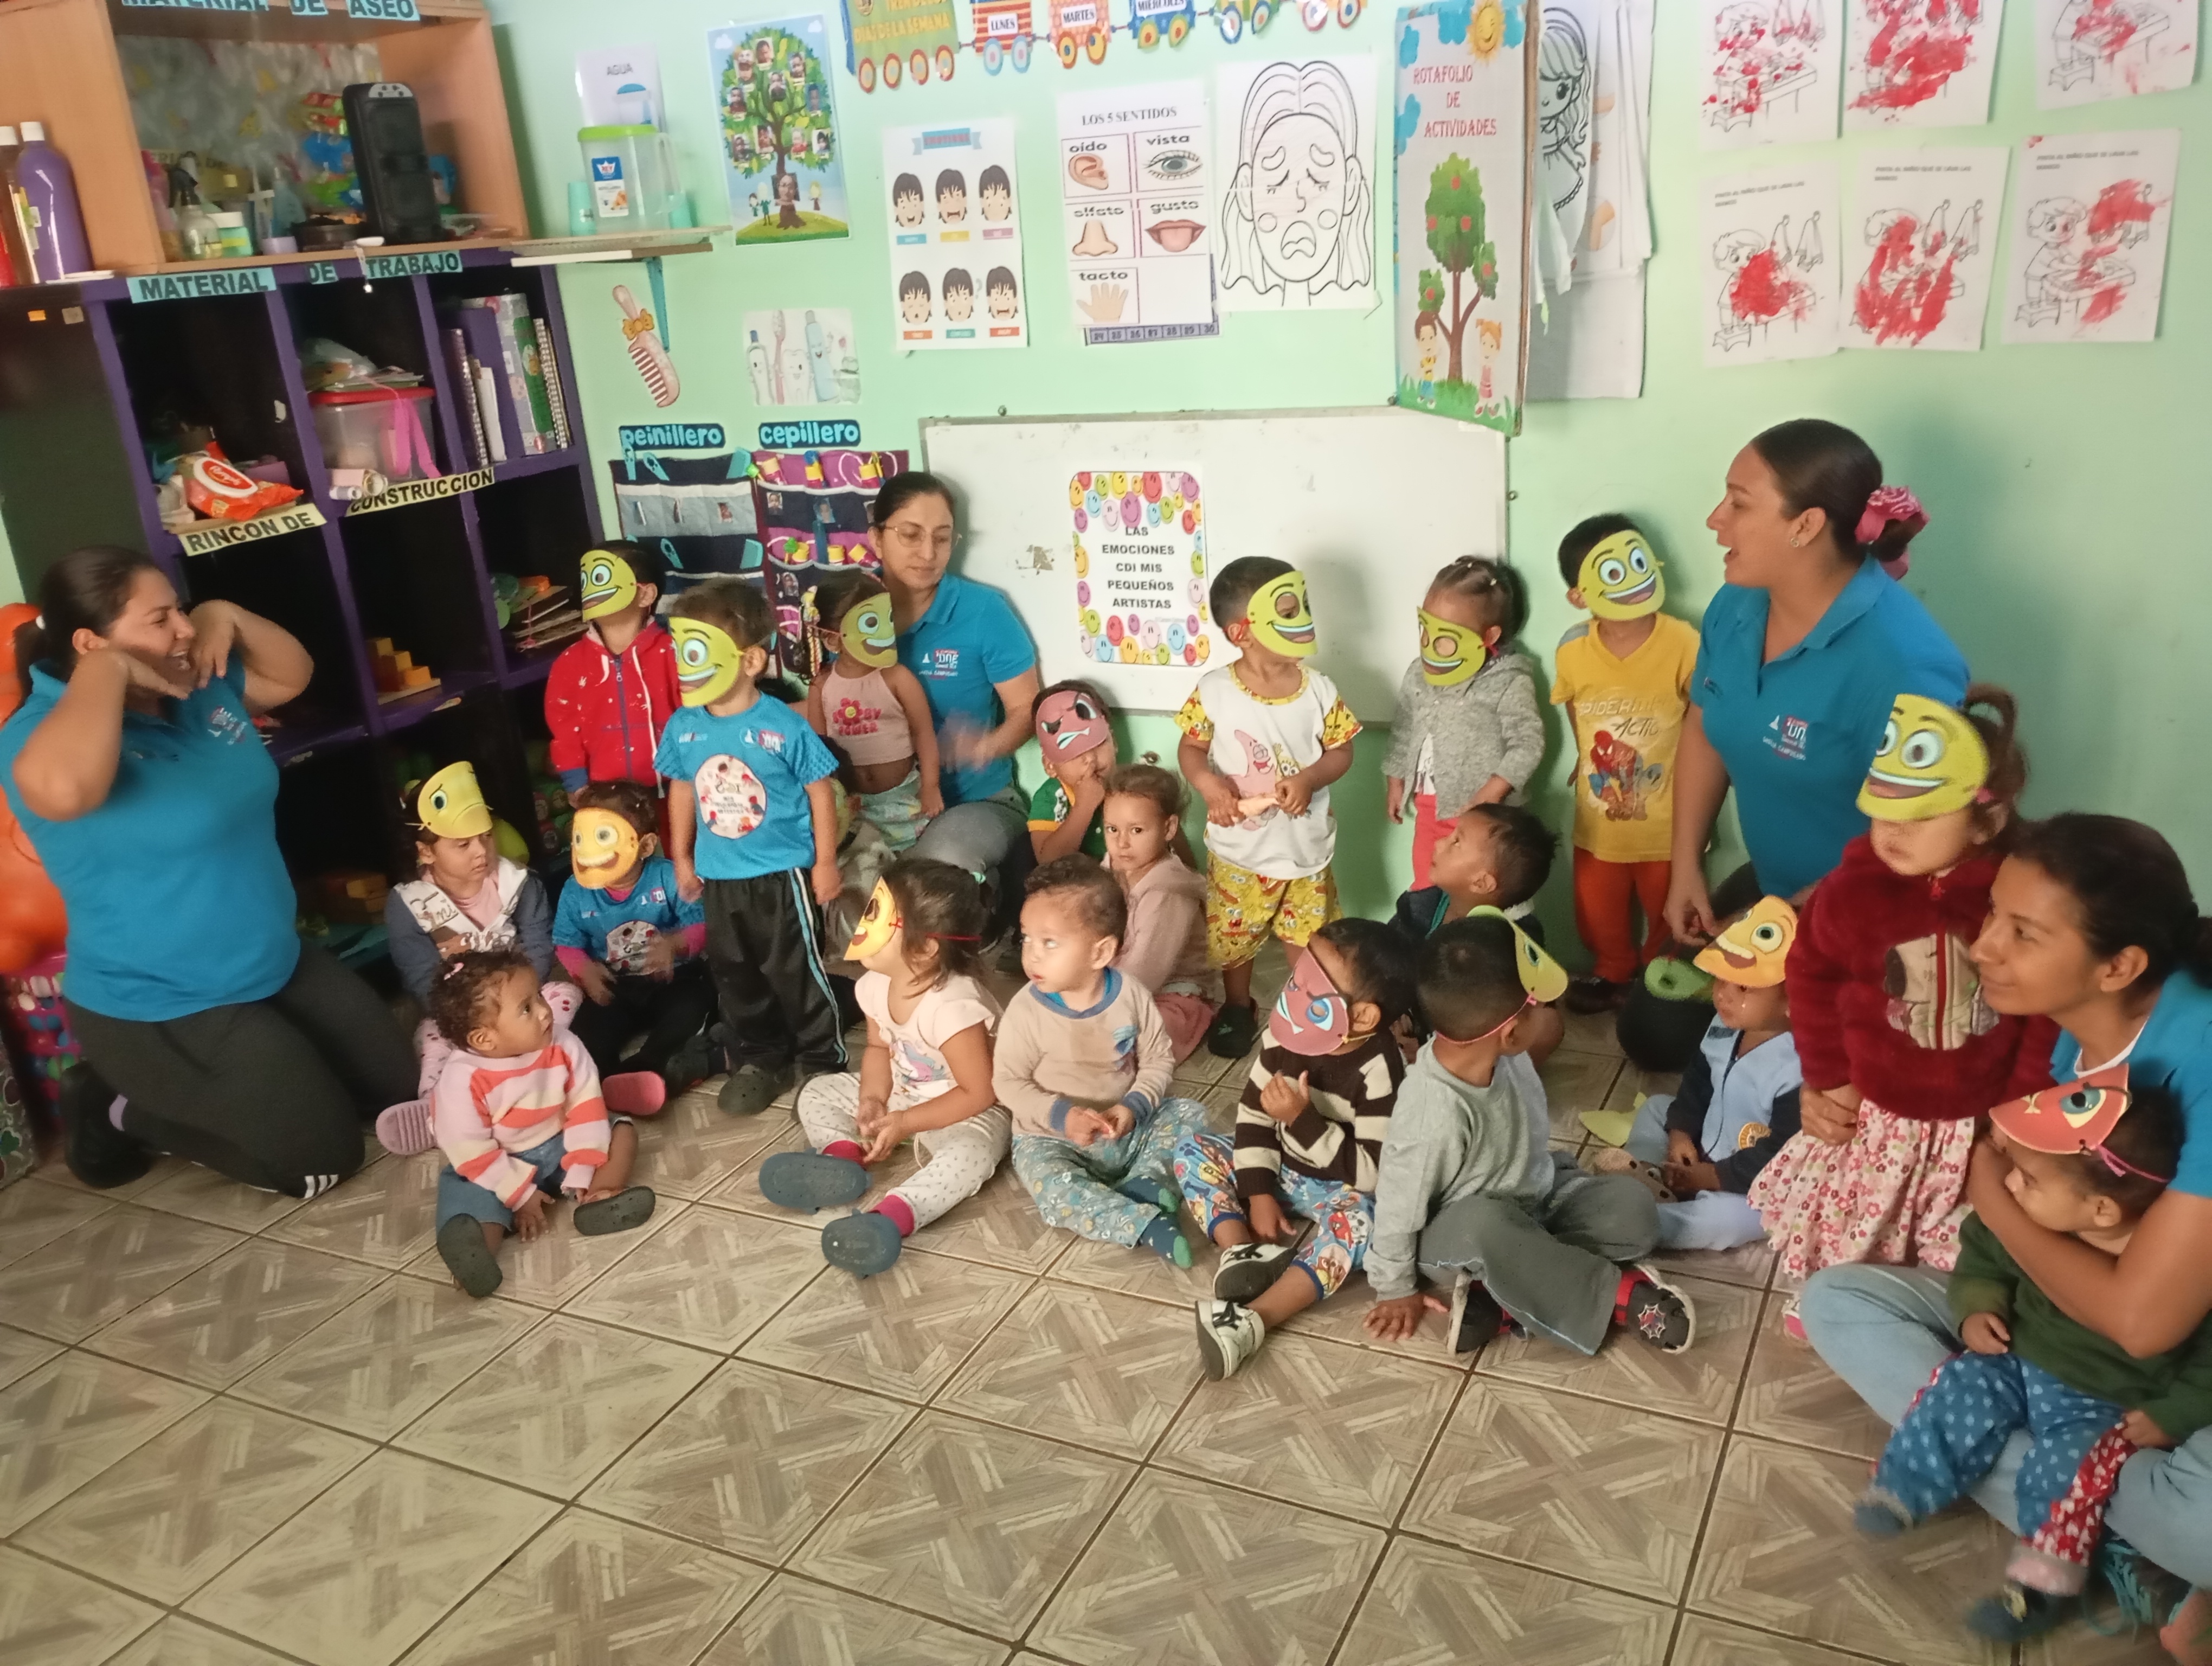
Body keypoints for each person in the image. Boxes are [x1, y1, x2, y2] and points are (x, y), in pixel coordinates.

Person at [1799, 815, 2212, 1660]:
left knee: (2202, 1516)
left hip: (2180, 1365)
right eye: (1993, 913)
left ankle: (2087, 1515)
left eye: (2023, 932)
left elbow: (2145, 1325)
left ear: (2120, 966)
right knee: (1838, 1301)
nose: (1983, 945)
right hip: (2062, 1338)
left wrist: (1992, 1190)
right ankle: (2091, 1522)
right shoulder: (2074, 1034)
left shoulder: (2201, 1058)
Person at [0, 546, 413, 1197]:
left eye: (180, 609)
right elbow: (65, 791)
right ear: (89, 642)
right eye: (159, 618)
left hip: (274, 961)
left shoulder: (189, 682)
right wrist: (108, 672)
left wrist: (226, 613)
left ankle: (269, 1072)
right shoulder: (37, 733)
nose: (183, 629)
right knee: (319, 1160)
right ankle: (119, 1108)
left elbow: (293, 676)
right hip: (165, 1002)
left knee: (398, 1091)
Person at [1855, 1084, 2212, 1643]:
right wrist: (1976, 1308)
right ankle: (1905, 1483)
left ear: (2102, 1209)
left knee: (2065, 1474)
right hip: (2014, 1359)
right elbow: (1983, 1256)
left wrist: (2172, 1415)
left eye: (2029, 1178)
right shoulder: (2034, 1216)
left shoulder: (2178, 1271)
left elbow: (2208, 1366)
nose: (2010, 1186)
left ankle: (2043, 1586)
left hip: (2102, 1406)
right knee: (1960, 1385)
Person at [1751, 688, 2055, 1292]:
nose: (1894, 830)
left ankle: (1930, 1309)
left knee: (1957, 1243)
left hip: (1974, 1121)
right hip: (1875, 1112)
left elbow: (2043, 1014)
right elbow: (1811, 975)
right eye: (1883, 811)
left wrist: (2020, 1107)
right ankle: (1841, 1304)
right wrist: (1828, 1075)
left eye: (1922, 816)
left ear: (1988, 820)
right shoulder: (1850, 891)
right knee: (1858, 1226)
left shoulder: (2012, 900)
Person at [1666, 419, 1966, 941]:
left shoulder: (1905, 668)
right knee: (1664, 991)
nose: (1716, 519)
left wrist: (1779, 929)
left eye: (1739, 503)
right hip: (1773, 894)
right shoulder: (1735, 606)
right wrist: (1685, 863)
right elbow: (1704, 725)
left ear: (1805, 526)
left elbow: (1922, 848)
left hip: (1871, 919)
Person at [1364, 913, 1695, 1358]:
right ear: (1512, 1032)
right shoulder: (1432, 1112)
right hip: (1461, 1234)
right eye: (1538, 1006)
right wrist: (1394, 1287)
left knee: (1633, 1212)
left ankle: (1504, 1300)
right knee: (1486, 1223)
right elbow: (1398, 1206)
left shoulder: (1508, 1055)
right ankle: (1617, 1295)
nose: (1547, 1012)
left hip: (1533, 1198)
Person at [1181, 919, 1417, 1381]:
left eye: (1315, 991)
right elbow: (1253, 1115)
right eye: (1298, 978)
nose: (1293, 996)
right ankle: (1241, 1253)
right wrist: (1258, 1192)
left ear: (1362, 1018)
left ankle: (1255, 1320)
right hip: (1282, 1168)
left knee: (1369, 1223)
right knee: (1194, 1149)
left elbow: (1372, 1172)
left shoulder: (1381, 1070)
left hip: (1342, 1187)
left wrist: (1302, 1120)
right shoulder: (1283, 1034)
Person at [758, 860, 1008, 1278]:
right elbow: (878, 1047)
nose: (863, 923)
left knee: (974, 1154)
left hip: (965, 1107)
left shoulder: (952, 1008)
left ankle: (894, 1215)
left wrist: (907, 1122)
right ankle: (841, 1159)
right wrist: (872, 1099)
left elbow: (980, 1092)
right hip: (904, 1091)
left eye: (880, 916)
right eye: (872, 908)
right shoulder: (873, 985)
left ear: (925, 948)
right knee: (817, 1091)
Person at [658, 579, 846, 1117]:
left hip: (782, 876)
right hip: (720, 878)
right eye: (681, 651)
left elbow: (821, 792)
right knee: (735, 974)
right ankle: (762, 1058)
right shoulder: (684, 727)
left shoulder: (782, 725)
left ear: (750, 660)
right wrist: (682, 857)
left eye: (698, 652)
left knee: (796, 971)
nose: (685, 665)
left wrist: (825, 862)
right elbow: (682, 788)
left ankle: (822, 1062)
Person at [1177, 558, 1360, 1057]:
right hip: (1239, 853)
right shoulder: (1214, 690)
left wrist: (1310, 778)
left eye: (1303, 606)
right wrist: (1209, 786)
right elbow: (1191, 748)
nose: (1304, 618)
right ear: (1243, 632)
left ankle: (1306, 1010)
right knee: (1235, 940)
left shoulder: (1319, 689)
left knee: (1307, 938)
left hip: (1305, 851)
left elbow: (1342, 750)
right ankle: (1239, 1006)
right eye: (1288, 610)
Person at [994, 857, 1207, 1267]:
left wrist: (1133, 1107)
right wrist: (1061, 1117)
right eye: (1026, 939)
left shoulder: (1130, 994)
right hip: (1052, 1140)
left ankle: (1147, 1183)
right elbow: (1007, 1082)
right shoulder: (1026, 1011)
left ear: (1101, 952)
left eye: (1049, 943)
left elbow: (1158, 1060)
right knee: (1054, 1192)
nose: (1032, 956)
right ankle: (1143, 1223)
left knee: (1190, 1115)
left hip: (1126, 1127)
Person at [428, 950, 654, 1299]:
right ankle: (476, 1253)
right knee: (468, 1192)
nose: (545, 1011)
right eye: (526, 1008)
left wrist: (583, 1166)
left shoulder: (563, 1043)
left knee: (620, 1131)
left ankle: (601, 1196)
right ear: (484, 1039)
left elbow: (586, 1103)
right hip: (498, 1161)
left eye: (539, 996)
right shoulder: (462, 1080)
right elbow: (470, 1150)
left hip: (560, 1140)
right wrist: (519, 1195)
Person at [1549, 515, 1702, 1013]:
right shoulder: (1573, 648)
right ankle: (1612, 971)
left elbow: (1703, 713)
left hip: (1668, 820)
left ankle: (1660, 978)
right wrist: (1582, 753)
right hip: (1599, 820)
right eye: (1612, 570)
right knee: (1598, 906)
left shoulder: (1683, 641)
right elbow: (1574, 703)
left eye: (1637, 561)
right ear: (1579, 595)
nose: (1632, 579)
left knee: (1669, 908)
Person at [873, 471, 1040, 914]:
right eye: (911, 535)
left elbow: (1027, 709)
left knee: (928, 881)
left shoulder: (983, 611)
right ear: (876, 538)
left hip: (975, 802)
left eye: (942, 538)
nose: (928, 553)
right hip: (879, 805)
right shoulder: (852, 610)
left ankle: (988, 921)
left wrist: (986, 746)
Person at [1614, 896, 1802, 1252]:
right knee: (1656, 1107)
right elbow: (1699, 1079)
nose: (1723, 996)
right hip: (1706, 1141)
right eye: (1721, 980)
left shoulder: (1798, 1069)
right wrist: (1681, 1131)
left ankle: (1650, 1225)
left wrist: (1713, 1176)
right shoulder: (1726, 1024)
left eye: (1742, 987)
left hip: (1753, 1178)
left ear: (1795, 1001)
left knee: (1737, 1218)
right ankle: (1642, 1178)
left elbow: (1783, 1154)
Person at [1382, 555, 1544, 893]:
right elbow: (1405, 726)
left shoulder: (1508, 681)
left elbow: (1528, 743)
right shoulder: (1418, 674)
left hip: (1484, 822)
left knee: (1476, 895)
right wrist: (1396, 778)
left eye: (1445, 638)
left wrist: (1492, 791)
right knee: (1426, 887)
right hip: (1430, 806)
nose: (1430, 645)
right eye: (1425, 630)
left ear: (1489, 636)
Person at [554, 779, 718, 1093]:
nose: (589, 850)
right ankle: (601, 1082)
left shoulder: (668, 876)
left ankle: (647, 1067)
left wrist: (675, 944)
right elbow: (566, 942)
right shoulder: (575, 891)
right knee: (585, 1035)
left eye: (603, 836)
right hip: (615, 986)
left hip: (673, 980)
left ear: (645, 846)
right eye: (580, 837)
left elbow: (701, 924)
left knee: (695, 1007)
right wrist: (585, 971)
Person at [805, 569, 942, 855]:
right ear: (831, 639)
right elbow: (820, 749)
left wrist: (931, 786)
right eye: (870, 623)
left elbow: (924, 733)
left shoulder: (898, 678)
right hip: (854, 808)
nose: (883, 632)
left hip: (904, 803)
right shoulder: (822, 685)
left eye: (886, 619)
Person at [543, 541, 680, 800]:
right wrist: (576, 785)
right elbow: (565, 732)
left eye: (601, 578)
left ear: (646, 595)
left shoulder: (673, 653)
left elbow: (693, 717)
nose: (591, 591)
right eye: (587, 581)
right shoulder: (570, 663)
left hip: (673, 790)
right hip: (605, 798)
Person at [1102, 763, 1218, 1061]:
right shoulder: (1115, 866)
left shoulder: (1167, 891)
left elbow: (1145, 972)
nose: (1122, 842)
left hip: (1175, 994)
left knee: (1127, 1042)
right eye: (1112, 829)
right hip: (1119, 980)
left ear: (1169, 828)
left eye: (1137, 830)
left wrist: (1094, 1002)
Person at [1388, 802, 1558, 946]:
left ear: (1480, 883)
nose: (1439, 843)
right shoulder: (1419, 906)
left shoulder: (1505, 948)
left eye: (1456, 842)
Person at [1028, 678, 1115, 862]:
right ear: (1050, 766)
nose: (1090, 759)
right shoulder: (1051, 797)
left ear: (1114, 742)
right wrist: (1085, 806)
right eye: (1075, 753)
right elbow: (1048, 862)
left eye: (1099, 744)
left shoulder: (1131, 787)